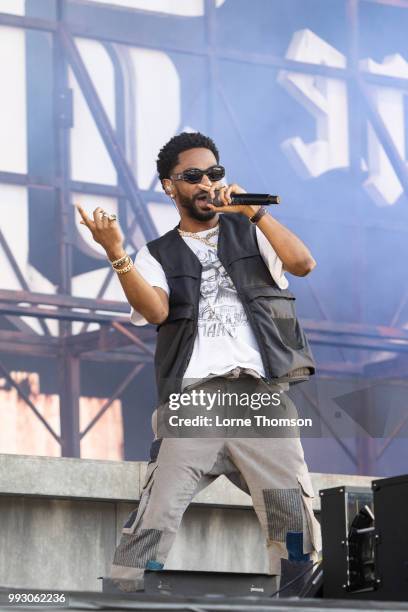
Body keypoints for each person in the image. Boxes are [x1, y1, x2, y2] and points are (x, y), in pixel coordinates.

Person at [77, 131, 322, 593]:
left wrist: (256, 213)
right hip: (195, 403)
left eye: (215, 173)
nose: (207, 183)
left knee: (292, 513)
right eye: (194, 176)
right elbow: (154, 312)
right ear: (170, 187)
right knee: (156, 511)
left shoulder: (251, 229)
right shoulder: (157, 253)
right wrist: (115, 252)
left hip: (260, 401)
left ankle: (300, 597)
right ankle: (126, 595)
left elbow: (303, 264)